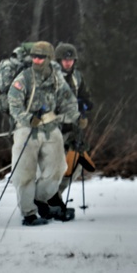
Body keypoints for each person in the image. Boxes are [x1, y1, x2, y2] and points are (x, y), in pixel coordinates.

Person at [6, 41, 80, 226]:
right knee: (24, 172)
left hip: (50, 128)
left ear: (49, 59)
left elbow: (68, 99)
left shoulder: (56, 78)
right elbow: (13, 104)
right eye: (34, 56)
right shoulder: (23, 78)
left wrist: (70, 116)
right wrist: (28, 118)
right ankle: (28, 213)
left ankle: (40, 199)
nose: (37, 60)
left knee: (57, 169)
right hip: (26, 129)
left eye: (41, 57)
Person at [50, 42, 94, 213]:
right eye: (64, 59)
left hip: (73, 129)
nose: (68, 63)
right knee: (54, 166)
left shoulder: (77, 77)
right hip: (54, 128)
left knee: (76, 164)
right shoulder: (51, 77)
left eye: (71, 60)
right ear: (58, 60)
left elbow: (86, 96)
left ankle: (55, 195)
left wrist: (84, 106)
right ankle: (47, 199)